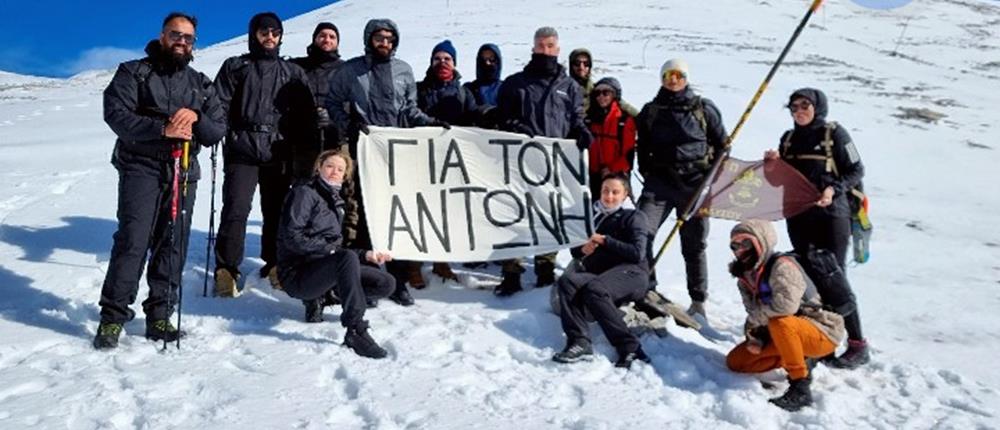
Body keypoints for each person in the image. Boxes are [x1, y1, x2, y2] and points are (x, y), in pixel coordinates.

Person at [94, 12, 226, 349]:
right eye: (176, 35)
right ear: (162, 36)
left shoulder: (200, 83)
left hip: (183, 169)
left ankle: (160, 315)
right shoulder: (134, 72)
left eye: (188, 38)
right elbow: (116, 114)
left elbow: (217, 130)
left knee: (173, 243)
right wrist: (161, 129)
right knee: (133, 240)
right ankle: (112, 318)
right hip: (141, 166)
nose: (182, 42)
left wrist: (196, 117)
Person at [326, 18, 449, 305]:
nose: (384, 43)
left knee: (397, 212)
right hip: (364, 148)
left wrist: (432, 124)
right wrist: (348, 123)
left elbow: (410, 110)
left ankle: (398, 280)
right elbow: (332, 102)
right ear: (369, 39)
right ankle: (368, 279)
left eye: (389, 39)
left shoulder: (404, 70)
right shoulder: (351, 70)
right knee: (365, 212)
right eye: (379, 38)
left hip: (396, 151)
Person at [764, 87, 870, 368]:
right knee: (807, 276)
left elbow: (856, 170)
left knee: (834, 276)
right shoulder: (788, 139)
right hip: (798, 215)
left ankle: (858, 344)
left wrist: (834, 189)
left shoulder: (834, 134)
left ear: (818, 107)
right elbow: (780, 181)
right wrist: (772, 166)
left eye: (805, 106)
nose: (799, 111)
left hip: (832, 215)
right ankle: (820, 338)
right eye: (793, 107)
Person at [212, 12, 313, 297]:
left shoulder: (292, 71)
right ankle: (227, 269)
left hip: (277, 150)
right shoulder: (236, 66)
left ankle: (275, 264)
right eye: (264, 32)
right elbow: (218, 104)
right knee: (236, 209)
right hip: (242, 149)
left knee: (277, 211)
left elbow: (304, 114)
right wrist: (219, 131)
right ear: (253, 34)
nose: (270, 37)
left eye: (275, 32)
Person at [493, 26, 592, 296]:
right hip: (519, 162)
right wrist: (515, 126)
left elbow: (576, 118)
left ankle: (545, 267)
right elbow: (501, 117)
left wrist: (581, 131)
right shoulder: (516, 83)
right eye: (540, 46)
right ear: (533, 48)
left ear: (557, 50)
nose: (545, 50)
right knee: (515, 215)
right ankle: (511, 270)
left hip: (554, 164)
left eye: (550, 46)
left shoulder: (569, 87)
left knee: (549, 214)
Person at [277, 149, 394, 359]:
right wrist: (332, 251)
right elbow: (292, 237)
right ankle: (356, 330)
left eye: (340, 169)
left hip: (324, 269)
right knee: (346, 258)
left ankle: (327, 296)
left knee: (386, 283)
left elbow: (336, 248)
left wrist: (366, 255)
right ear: (319, 167)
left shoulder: (336, 201)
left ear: (345, 175)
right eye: (330, 166)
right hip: (298, 274)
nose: (334, 172)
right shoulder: (304, 193)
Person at [635, 58, 727, 317]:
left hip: (694, 187)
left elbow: (723, 146)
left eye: (678, 75)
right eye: (667, 75)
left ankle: (698, 300)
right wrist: (647, 172)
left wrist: (711, 180)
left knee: (694, 245)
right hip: (660, 184)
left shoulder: (703, 109)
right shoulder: (651, 110)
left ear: (686, 77)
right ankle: (646, 287)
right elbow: (642, 145)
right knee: (641, 231)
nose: (672, 80)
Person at [725, 220, 846, 411]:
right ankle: (797, 356)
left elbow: (786, 307)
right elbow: (753, 313)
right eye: (735, 245)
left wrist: (756, 321)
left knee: (782, 322)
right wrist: (754, 336)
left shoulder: (782, 266)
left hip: (822, 331)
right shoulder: (745, 277)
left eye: (746, 243)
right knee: (736, 362)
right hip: (784, 333)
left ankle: (800, 386)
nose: (740, 249)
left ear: (762, 242)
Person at [552, 173, 651, 369]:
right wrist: (583, 250)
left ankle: (630, 348)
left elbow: (637, 253)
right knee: (567, 281)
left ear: (625, 194)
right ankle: (579, 342)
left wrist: (606, 240)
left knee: (594, 288)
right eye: (606, 191)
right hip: (601, 275)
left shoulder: (634, 216)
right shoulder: (594, 216)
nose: (609, 196)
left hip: (632, 273)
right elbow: (576, 250)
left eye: (615, 192)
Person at [417, 40, 480, 282]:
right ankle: (413, 266)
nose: (442, 63)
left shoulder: (464, 93)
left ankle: (441, 262)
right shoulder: (420, 90)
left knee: (446, 212)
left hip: (452, 161)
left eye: (447, 59)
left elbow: (474, 117)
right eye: (437, 59)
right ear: (431, 62)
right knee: (421, 211)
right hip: (423, 159)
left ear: (454, 63)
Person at [290, 22, 346, 179]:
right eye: (322, 36)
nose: (327, 40)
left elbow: (351, 104)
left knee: (334, 188)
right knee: (304, 189)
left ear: (337, 42)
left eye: (332, 37)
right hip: (302, 142)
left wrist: (333, 119)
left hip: (335, 141)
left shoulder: (346, 70)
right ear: (314, 39)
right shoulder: (297, 67)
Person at [585, 77, 635, 200]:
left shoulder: (623, 121)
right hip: (592, 177)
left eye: (606, 93)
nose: (601, 97)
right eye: (597, 93)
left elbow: (628, 155)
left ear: (615, 95)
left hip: (617, 176)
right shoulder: (589, 120)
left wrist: (611, 169)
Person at [463, 43, 503, 127]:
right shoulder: (469, 89)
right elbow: (470, 111)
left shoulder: (506, 88)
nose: (487, 63)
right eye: (483, 60)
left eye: (491, 59)